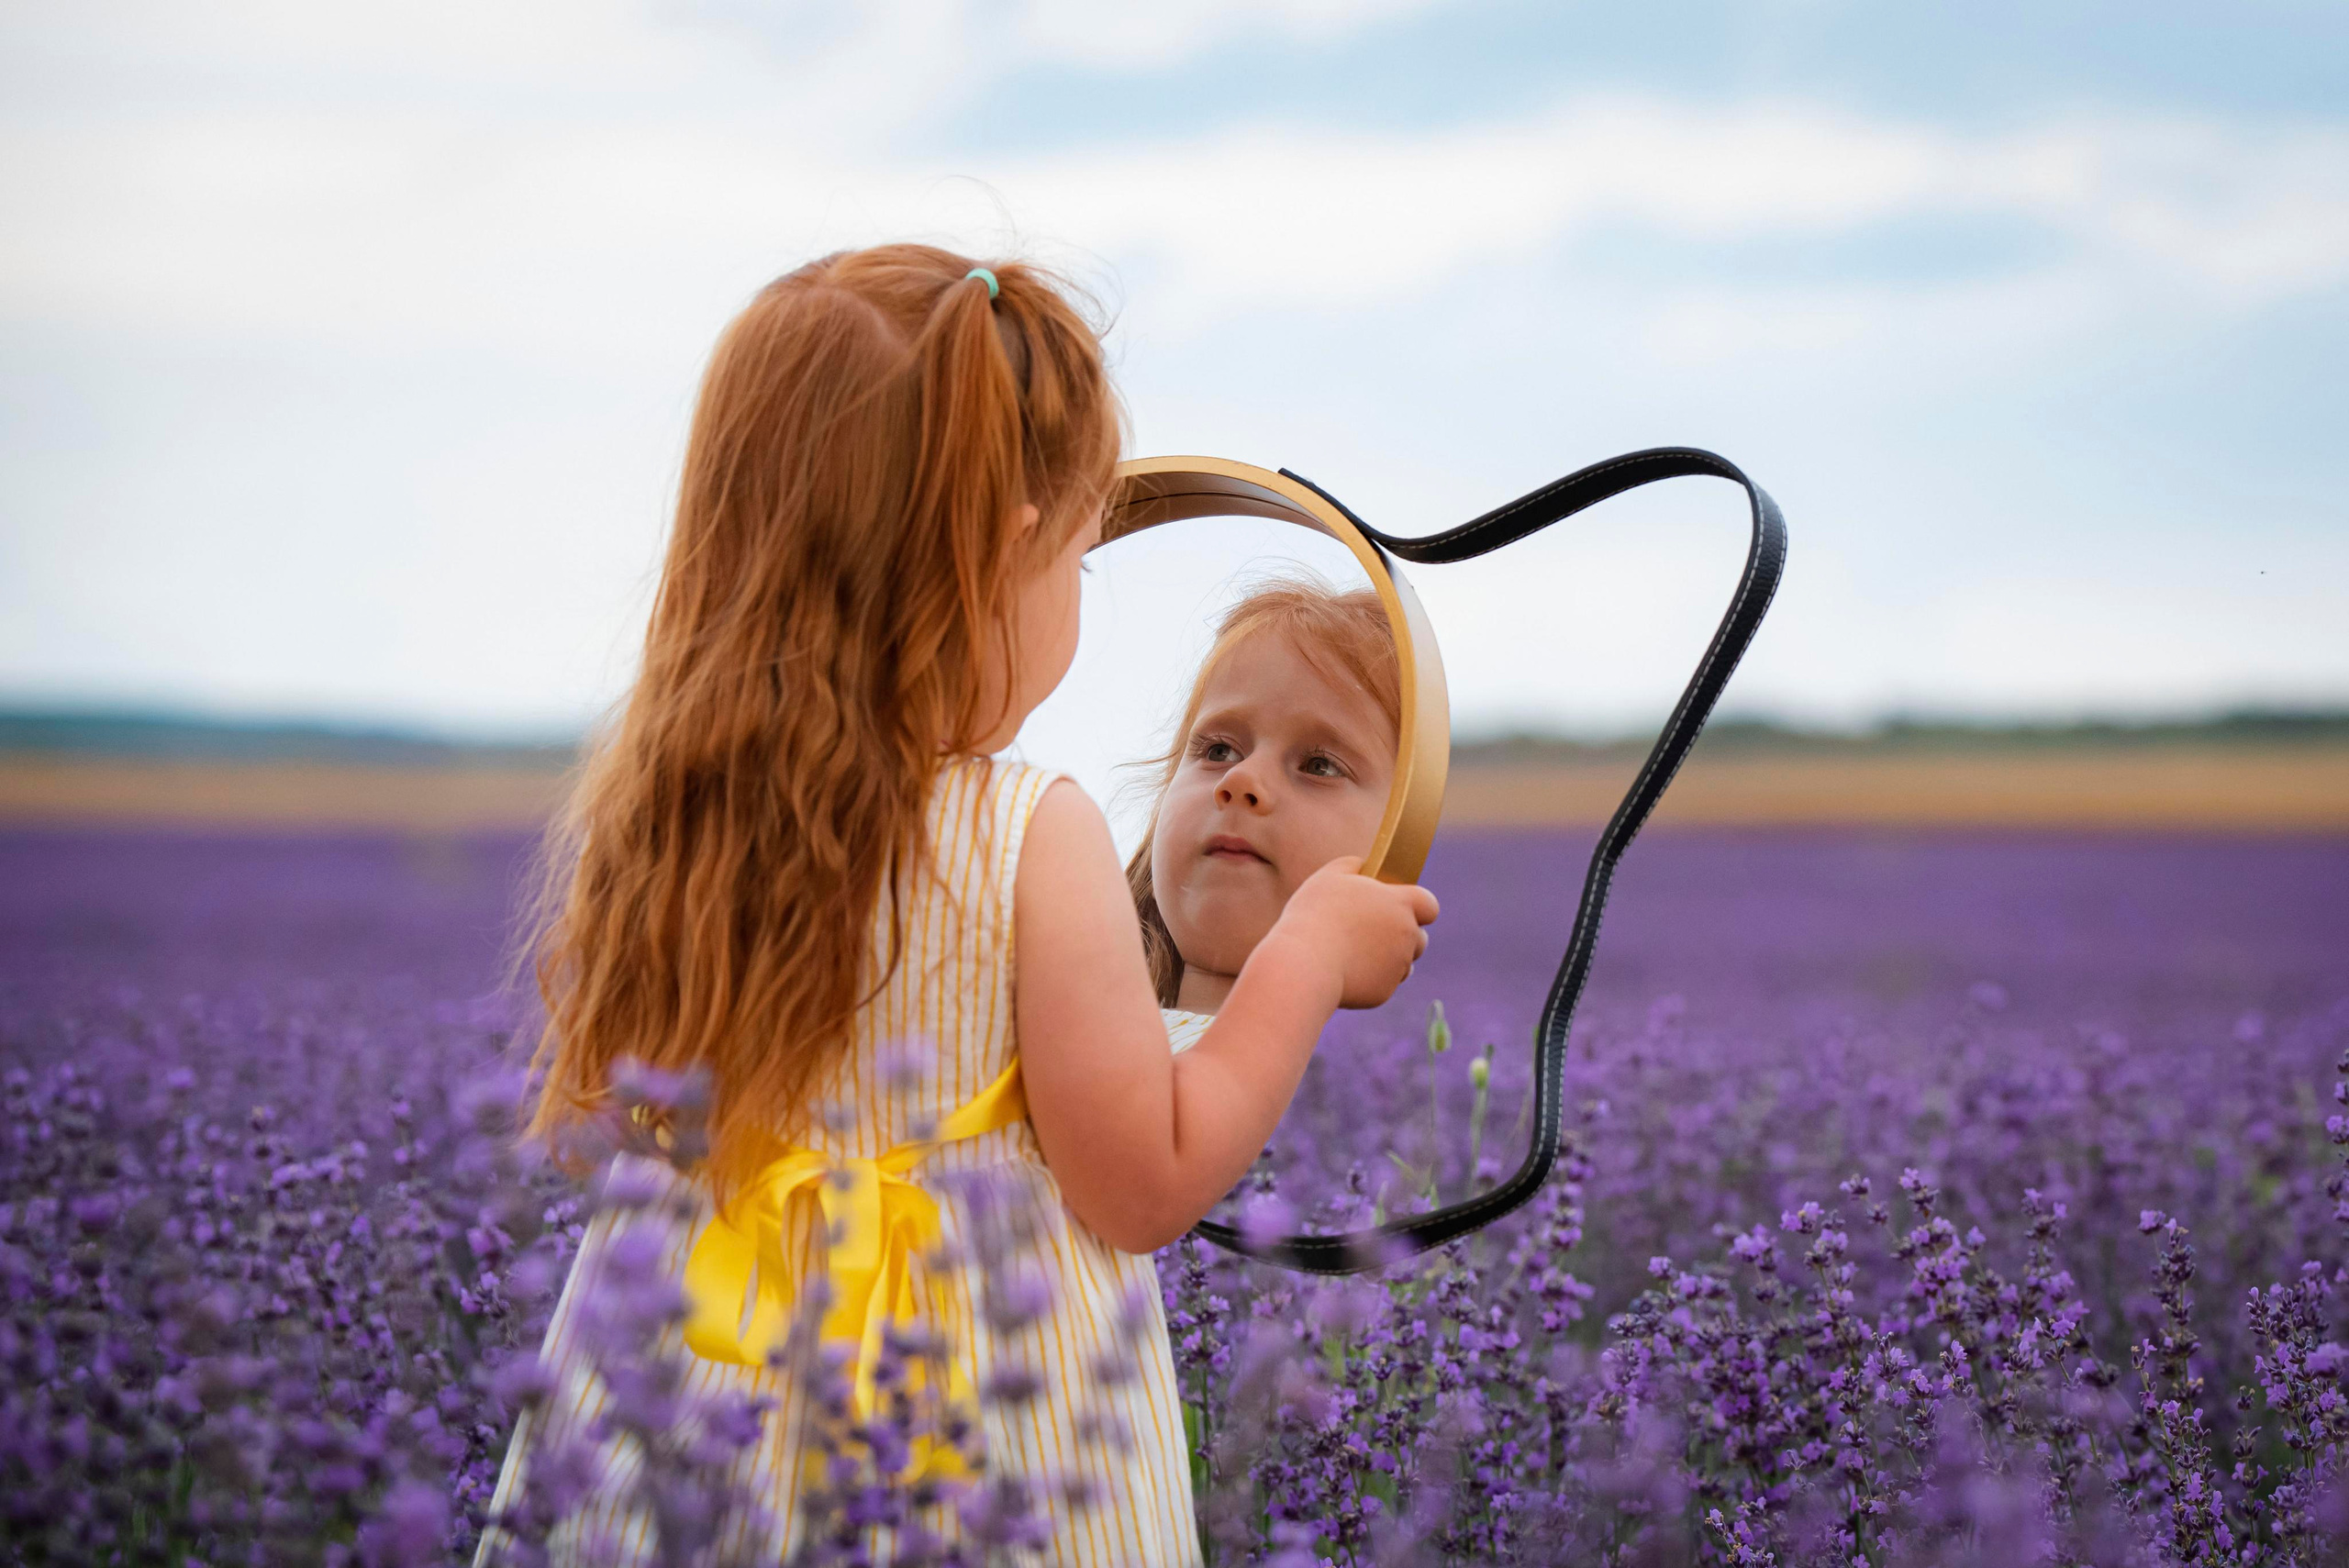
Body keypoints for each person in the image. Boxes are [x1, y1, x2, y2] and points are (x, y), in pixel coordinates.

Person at [478, 245, 1438, 1565]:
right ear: (1005, 548)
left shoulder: (669, 812)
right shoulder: (1026, 830)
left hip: (689, 1386)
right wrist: (1311, 953)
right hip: (966, 1418)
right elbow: (1144, 1179)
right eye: (1079, 561)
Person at [1122, 581, 1404, 1057]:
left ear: (1408, 833)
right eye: (1219, 751)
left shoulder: (1383, 1082)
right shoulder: (1078, 1039)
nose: (1241, 780)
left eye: (1319, 766)